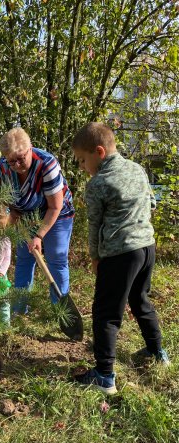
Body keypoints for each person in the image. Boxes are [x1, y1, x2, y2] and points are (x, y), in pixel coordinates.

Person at [72, 122, 169, 395]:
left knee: (106, 313)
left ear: (99, 152)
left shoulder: (98, 184)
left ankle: (104, 376)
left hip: (119, 254)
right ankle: (157, 352)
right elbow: (150, 203)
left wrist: (94, 257)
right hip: (146, 248)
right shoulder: (138, 169)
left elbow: (94, 226)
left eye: (82, 159)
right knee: (140, 300)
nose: (81, 166)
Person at [0, 127, 75, 313]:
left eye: (21, 158)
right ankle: (20, 309)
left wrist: (39, 235)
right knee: (24, 258)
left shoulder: (46, 164)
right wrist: (7, 215)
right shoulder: (2, 167)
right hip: (23, 215)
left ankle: (60, 311)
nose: (17, 165)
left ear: (30, 148)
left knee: (56, 258)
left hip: (57, 212)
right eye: (12, 161)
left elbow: (55, 206)